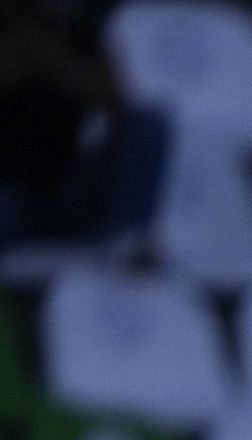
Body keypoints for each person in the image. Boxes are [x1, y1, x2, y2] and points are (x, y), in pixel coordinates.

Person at [0, 0, 167, 251]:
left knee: (147, 124)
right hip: (10, 196)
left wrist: (64, 70)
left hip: (68, 189)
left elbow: (116, 104)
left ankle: (130, 241)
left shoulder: (72, 29)